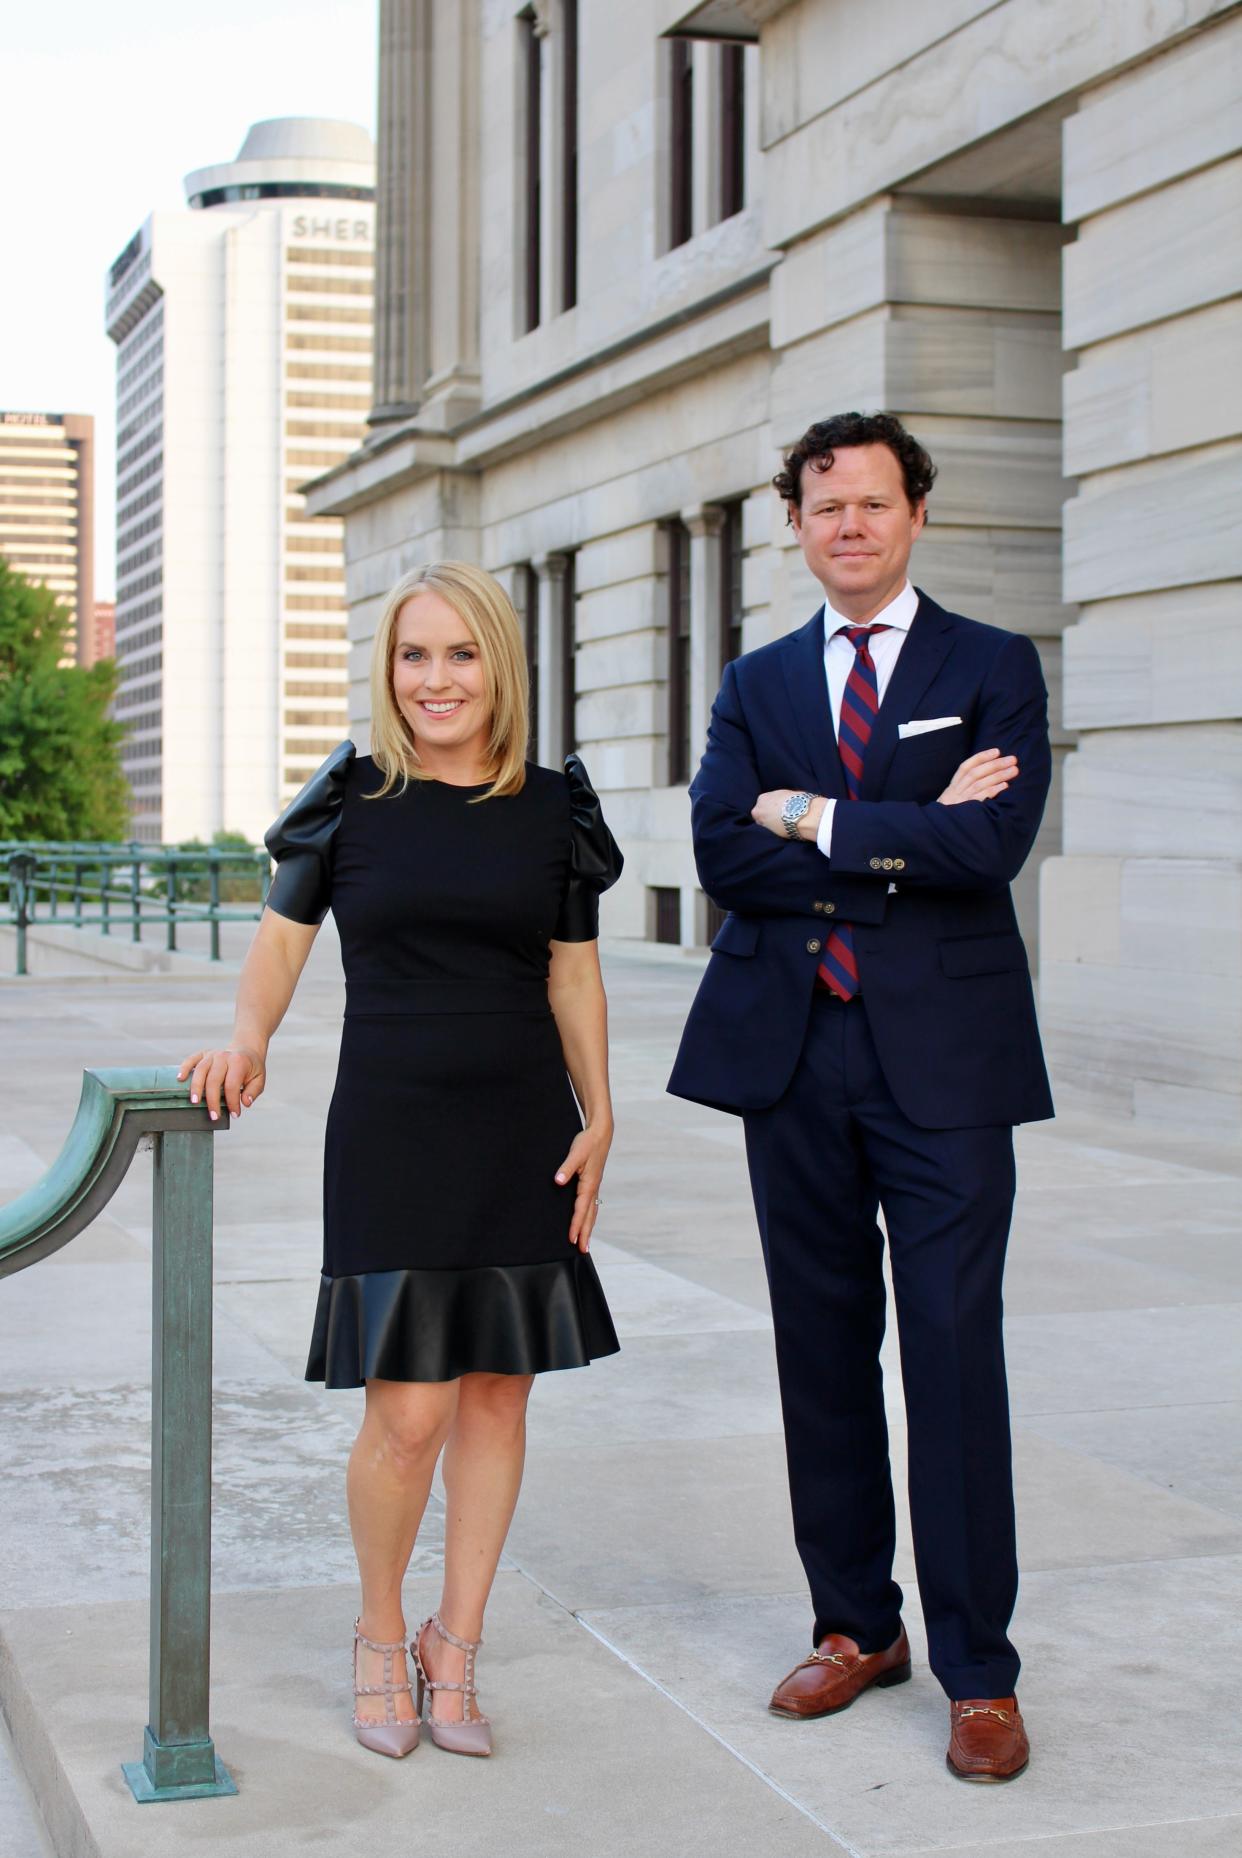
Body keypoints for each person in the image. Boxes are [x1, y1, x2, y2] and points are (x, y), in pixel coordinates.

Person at [179, 561, 621, 1761]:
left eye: (461, 654)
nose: (437, 679)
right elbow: (281, 941)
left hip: (522, 1128)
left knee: (497, 1393)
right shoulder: (351, 800)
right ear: (389, 670)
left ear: (499, 666)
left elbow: (571, 971)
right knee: (410, 1410)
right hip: (392, 1134)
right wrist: (246, 1041)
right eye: (414, 655)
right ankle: (380, 1633)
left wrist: (600, 1110)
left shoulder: (552, 809)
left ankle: (456, 1642)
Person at [668, 411, 1053, 1783]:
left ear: (914, 514)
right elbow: (719, 847)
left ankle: (978, 1669)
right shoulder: (757, 679)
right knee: (817, 1347)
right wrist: (901, 831)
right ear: (795, 523)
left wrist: (815, 818)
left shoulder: (989, 666)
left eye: (872, 504)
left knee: (952, 1351)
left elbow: (991, 840)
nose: (848, 526)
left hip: (943, 1062)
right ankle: (853, 1623)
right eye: (823, 506)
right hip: (795, 1052)